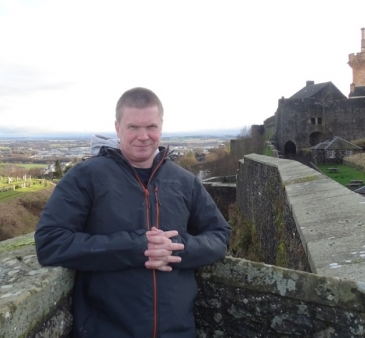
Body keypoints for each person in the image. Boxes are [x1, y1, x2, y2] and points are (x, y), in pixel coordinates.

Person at [35, 87, 231, 338]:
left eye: (151, 126)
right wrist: (136, 247)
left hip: (178, 331)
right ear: (117, 128)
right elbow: (50, 241)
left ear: (161, 126)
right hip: (106, 330)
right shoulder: (86, 176)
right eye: (133, 127)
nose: (143, 136)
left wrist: (177, 249)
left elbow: (220, 235)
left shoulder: (184, 181)